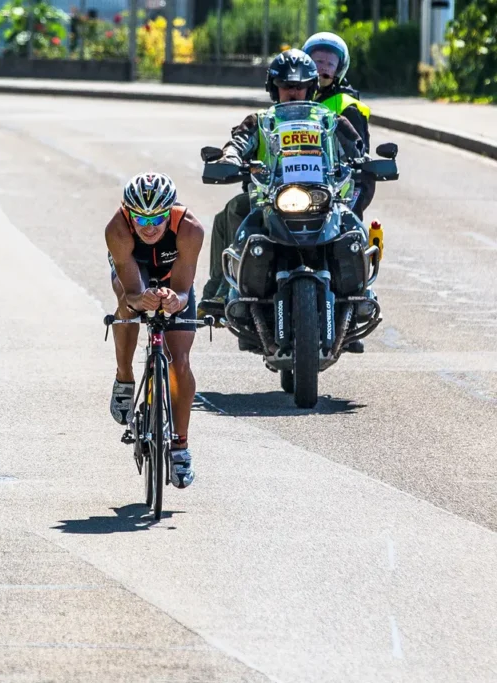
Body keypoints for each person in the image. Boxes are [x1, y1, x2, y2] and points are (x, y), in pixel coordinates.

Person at [198, 49, 367, 320]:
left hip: (323, 198)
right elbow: (238, 142)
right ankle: (223, 290)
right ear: (274, 89)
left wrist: (365, 160)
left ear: (311, 88)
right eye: (286, 86)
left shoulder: (329, 120)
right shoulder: (261, 120)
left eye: (300, 87)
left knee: (355, 228)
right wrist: (229, 157)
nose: (293, 93)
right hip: (270, 199)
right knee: (232, 212)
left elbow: (356, 147)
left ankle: (362, 295)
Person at [106, 172, 205, 489]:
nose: (149, 227)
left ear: (171, 211)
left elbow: (185, 288)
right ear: (127, 213)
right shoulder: (118, 230)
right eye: (141, 218)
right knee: (127, 310)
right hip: (135, 272)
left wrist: (177, 299)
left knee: (180, 360)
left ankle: (180, 446)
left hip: (173, 275)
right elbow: (131, 288)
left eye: (159, 218)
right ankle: (124, 377)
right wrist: (138, 298)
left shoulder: (189, 229)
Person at [303, 31, 375, 219]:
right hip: (302, 176)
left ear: (339, 69)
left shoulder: (348, 106)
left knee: (348, 227)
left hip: (346, 181)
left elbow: (359, 153)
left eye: (330, 64)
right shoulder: (297, 98)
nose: (323, 69)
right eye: (318, 62)